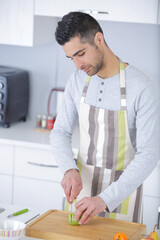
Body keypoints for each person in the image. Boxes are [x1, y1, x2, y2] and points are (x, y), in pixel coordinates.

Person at [50, 11, 160, 225]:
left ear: (98, 39)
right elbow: (60, 132)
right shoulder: (77, 80)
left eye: (80, 53)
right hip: (80, 198)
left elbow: (149, 154)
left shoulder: (141, 87)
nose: (77, 65)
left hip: (121, 201)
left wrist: (104, 199)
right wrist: (69, 169)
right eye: (71, 58)